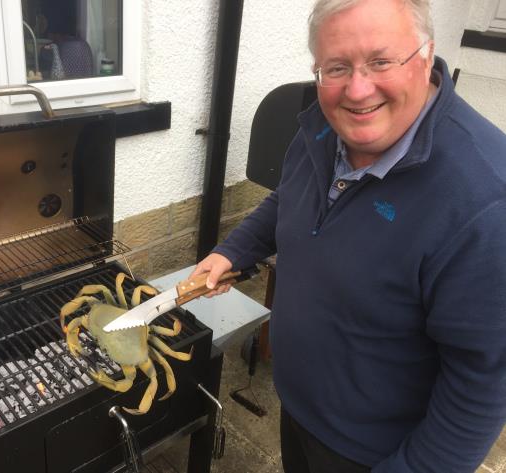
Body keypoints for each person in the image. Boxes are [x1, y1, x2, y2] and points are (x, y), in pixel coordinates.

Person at [192, 0, 506, 471]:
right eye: (336, 67)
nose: (357, 91)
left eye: (381, 61)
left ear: (426, 54)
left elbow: (480, 388)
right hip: (298, 408)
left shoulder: (485, 200)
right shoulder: (323, 125)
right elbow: (289, 198)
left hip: (373, 453)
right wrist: (233, 250)